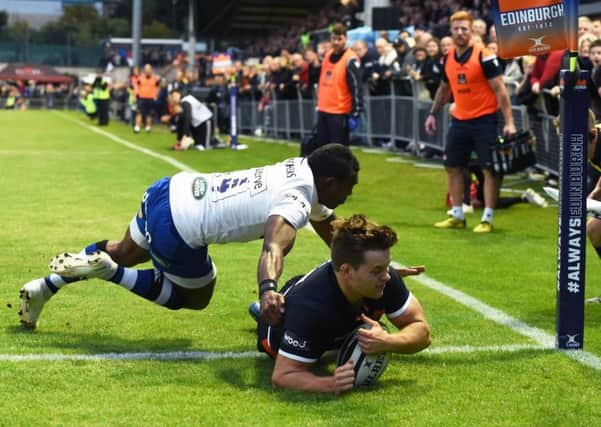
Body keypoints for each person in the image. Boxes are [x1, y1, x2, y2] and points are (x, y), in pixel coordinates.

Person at [18, 144, 360, 330]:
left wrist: (374, 267)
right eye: (349, 187)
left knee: (123, 250)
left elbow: (331, 229)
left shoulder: (299, 168)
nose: (350, 195)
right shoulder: (297, 197)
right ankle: (110, 273)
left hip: (169, 189)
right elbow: (273, 244)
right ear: (330, 182)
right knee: (197, 297)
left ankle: (44, 287)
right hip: (180, 227)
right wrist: (268, 290)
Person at [253, 214, 431, 393]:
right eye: (377, 270)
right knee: (279, 319)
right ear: (346, 271)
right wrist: (330, 384)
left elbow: (422, 331)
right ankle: (258, 310)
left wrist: (388, 341)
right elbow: (283, 375)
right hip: (280, 321)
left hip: (333, 307)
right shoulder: (310, 307)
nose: (386, 276)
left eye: (387, 266)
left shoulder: (385, 279)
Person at [425, 11, 516, 233]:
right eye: (456, 29)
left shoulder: (484, 55)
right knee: (453, 167)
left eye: (464, 29)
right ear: (451, 31)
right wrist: (432, 113)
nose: (460, 33)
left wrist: (509, 121)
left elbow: (500, 90)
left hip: (485, 119)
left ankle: (487, 218)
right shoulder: (447, 58)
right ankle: (457, 214)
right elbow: (444, 89)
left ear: (472, 31)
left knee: (489, 169)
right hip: (460, 120)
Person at [315, 23, 363, 148]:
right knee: (321, 150)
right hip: (323, 109)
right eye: (333, 39)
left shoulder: (350, 59)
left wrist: (355, 112)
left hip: (339, 112)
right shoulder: (327, 55)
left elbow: (357, 87)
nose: (336, 42)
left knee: (338, 151)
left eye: (339, 39)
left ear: (345, 39)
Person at [134, 64, 159, 133]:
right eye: (146, 69)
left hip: (151, 98)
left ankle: (148, 127)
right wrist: (136, 94)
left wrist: (155, 95)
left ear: (151, 70)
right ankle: (137, 126)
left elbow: (157, 87)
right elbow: (136, 86)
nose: (147, 71)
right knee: (139, 112)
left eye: (149, 69)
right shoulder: (140, 78)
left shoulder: (155, 78)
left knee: (149, 113)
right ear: (144, 70)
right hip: (141, 98)